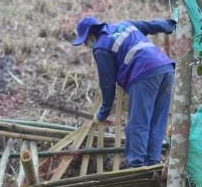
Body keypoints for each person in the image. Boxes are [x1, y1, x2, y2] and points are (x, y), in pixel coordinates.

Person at [72, 17, 176, 168]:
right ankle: (153, 164)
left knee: (138, 124)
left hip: (144, 73)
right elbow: (150, 25)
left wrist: (103, 113)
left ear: (90, 35)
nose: (86, 45)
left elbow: (107, 84)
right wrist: (171, 24)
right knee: (157, 121)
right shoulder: (123, 25)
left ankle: (136, 167)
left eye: (85, 42)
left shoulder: (101, 47)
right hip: (166, 68)